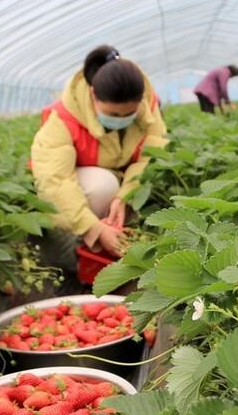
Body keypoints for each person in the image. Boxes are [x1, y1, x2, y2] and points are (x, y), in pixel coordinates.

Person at [31, 45, 167, 264]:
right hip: (78, 187)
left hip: (121, 182)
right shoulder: (63, 119)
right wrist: (93, 228)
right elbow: (55, 181)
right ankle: (75, 248)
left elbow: (149, 158)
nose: (121, 119)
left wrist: (124, 198)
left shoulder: (148, 108)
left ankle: (114, 234)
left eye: (129, 114)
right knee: (102, 185)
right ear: (93, 94)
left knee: (128, 189)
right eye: (113, 114)